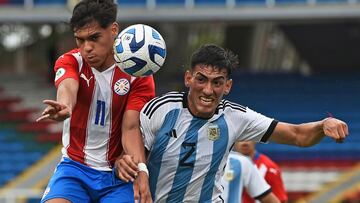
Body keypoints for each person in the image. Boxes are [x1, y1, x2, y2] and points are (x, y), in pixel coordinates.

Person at [117, 44, 349, 202]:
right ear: (188, 78)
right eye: (201, 80)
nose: (208, 90)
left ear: (227, 86)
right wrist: (125, 163)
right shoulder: (161, 109)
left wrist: (322, 125)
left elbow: (298, 136)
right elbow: (132, 156)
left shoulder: (236, 117)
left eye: (217, 82)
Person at [36, 0, 154, 202]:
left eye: (94, 38)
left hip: (117, 174)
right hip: (74, 169)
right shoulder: (71, 61)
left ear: (114, 29)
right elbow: (67, 87)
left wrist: (142, 169)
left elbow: (131, 127)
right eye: (79, 40)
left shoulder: (137, 73)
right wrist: (65, 107)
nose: (86, 48)